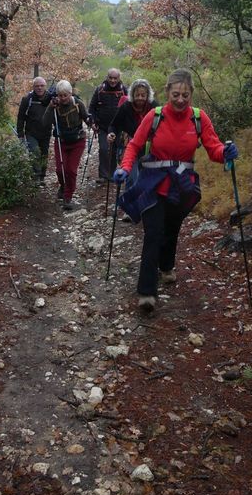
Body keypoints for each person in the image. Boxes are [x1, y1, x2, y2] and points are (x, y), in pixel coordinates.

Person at [113, 68, 239, 313]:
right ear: (167, 93)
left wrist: (226, 153)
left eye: (185, 95)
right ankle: (147, 292)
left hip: (182, 185)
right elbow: (134, 145)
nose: (180, 100)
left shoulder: (199, 118)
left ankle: (167, 266)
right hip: (153, 181)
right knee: (153, 233)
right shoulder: (155, 116)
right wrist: (125, 169)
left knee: (171, 228)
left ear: (191, 94)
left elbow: (213, 148)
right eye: (175, 95)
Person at [107, 78, 157, 219]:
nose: (140, 98)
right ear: (132, 95)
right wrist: (111, 134)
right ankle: (130, 208)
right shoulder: (126, 107)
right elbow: (114, 125)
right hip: (130, 145)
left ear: (148, 95)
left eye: (143, 95)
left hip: (149, 146)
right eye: (137, 95)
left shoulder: (154, 107)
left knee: (146, 176)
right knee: (131, 176)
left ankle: (145, 205)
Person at [43, 80, 92, 211]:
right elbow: (45, 122)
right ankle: (63, 185)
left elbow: (86, 117)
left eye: (65, 95)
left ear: (70, 93)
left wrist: (91, 123)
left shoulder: (78, 103)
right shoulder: (55, 106)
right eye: (60, 95)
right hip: (62, 141)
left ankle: (68, 197)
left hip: (77, 140)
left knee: (70, 170)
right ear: (57, 95)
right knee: (60, 170)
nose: (63, 98)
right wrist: (50, 107)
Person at [88, 68, 127, 184]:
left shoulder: (124, 90)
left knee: (114, 151)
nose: (113, 81)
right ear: (107, 77)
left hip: (118, 127)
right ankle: (103, 175)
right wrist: (93, 122)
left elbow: (129, 107)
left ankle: (111, 174)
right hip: (103, 127)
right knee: (104, 149)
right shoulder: (100, 90)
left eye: (115, 78)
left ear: (119, 78)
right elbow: (92, 108)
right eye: (111, 78)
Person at [16, 76, 53, 185]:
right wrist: (20, 132)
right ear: (33, 87)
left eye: (42, 86)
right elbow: (21, 117)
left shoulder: (51, 98)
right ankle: (36, 176)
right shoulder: (27, 99)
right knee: (35, 152)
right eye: (37, 86)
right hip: (31, 132)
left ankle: (42, 176)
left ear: (45, 86)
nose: (39, 88)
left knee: (44, 154)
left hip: (46, 132)